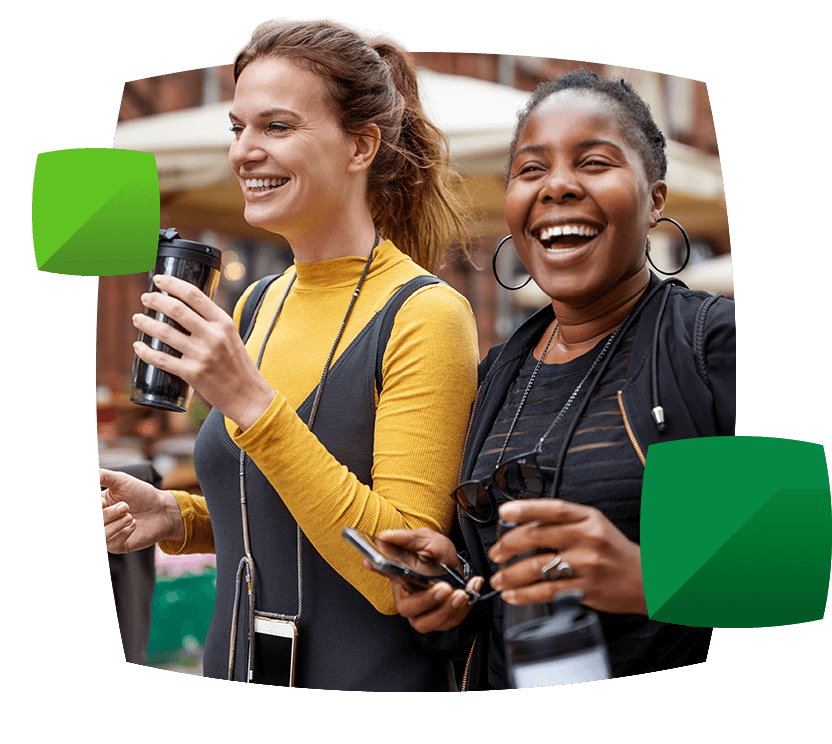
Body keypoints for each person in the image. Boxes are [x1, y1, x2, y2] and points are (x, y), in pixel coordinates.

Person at [101, 20, 479, 691]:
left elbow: (401, 573)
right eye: (237, 127)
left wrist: (250, 401)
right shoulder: (257, 304)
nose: (245, 151)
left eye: (276, 127)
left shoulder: (426, 314)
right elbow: (280, 508)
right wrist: (179, 516)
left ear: (361, 145)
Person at [374, 69, 735, 690]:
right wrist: (455, 593)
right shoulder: (498, 374)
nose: (558, 186)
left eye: (594, 163)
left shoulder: (709, 346)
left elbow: (800, 566)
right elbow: (507, 601)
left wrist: (650, 578)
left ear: (654, 199)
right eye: (531, 169)